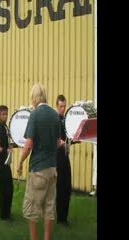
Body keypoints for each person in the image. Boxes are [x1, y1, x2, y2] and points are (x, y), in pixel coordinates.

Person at [17, 84, 63, 240]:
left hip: (38, 169)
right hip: (52, 169)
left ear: (35, 98)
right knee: (50, 209)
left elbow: (28, 145)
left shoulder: (35, 115)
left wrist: (20, 162)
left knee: (33, 210)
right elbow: (58, 142)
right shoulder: (55, 115)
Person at [0, 105, 13, 220]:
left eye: (6, 114)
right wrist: (6, 150)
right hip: (1, 161)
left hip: (6, 160)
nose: (5, 116)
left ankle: (7, 212)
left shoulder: (6, 127)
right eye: (3, 114)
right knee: (4, 187)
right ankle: (3, 215)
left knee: (9, 187)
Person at [55, 94, 72, 226]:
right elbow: (53, 141)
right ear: (57, 106)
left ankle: (64, 216)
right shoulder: (54, 120)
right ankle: (60, 218)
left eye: (64, 106)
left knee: (67, 186)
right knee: (60, 187)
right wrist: (61, 143)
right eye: (61, 106)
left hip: (65, 156)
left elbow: (69, 137)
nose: (63, 108)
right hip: (58, 157)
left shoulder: (66, 119)